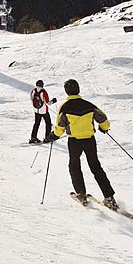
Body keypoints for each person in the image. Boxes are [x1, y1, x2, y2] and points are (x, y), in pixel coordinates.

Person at [52, 79, 119, 210]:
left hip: (74, 141)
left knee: (74, 165)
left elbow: (59, 126)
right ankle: (110, 198)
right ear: (78, 90)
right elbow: (103, 118)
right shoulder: (88, 105)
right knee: (96, 167)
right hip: (89, 140)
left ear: (66, 91)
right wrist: (104, 128)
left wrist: (53, 136)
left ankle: (81, 194)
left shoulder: (64, 107)